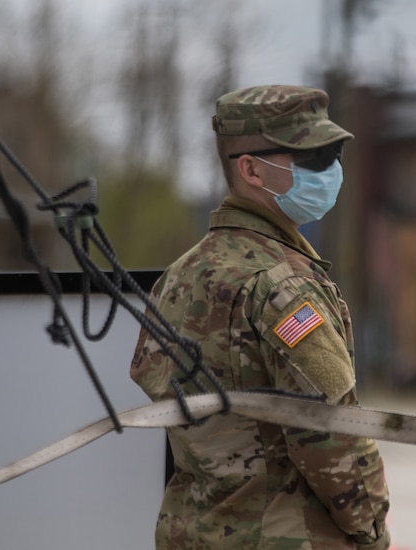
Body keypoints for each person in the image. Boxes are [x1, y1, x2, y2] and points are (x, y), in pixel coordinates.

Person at [129, 85, 390, 550]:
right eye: (309, 158)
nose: (329, 171)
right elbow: (332, 436)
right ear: (250, 169)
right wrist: (374, 532)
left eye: (331, 155)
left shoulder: (177, 276)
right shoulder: (283, 287)